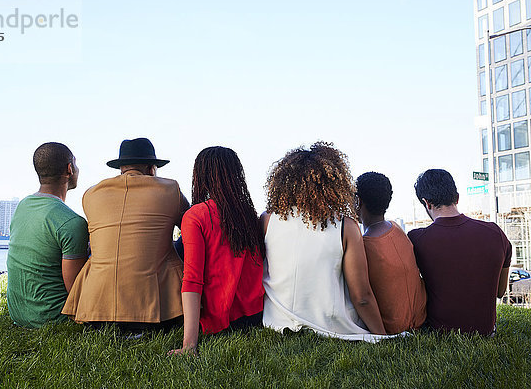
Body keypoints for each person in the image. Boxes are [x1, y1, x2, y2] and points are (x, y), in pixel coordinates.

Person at [261, 142, 387, 341]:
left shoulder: (267, 220)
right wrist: (382, 335)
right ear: (334, 183)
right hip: (330, 325)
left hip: (276, 322)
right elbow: (361, 297)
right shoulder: (346, 226)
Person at [62, 138, 189, 334]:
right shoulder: (171, 189)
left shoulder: (91, 194)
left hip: (94, 310)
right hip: (157, 314)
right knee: (178, 244)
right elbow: (191, 230)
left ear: (121, 168)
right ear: (152, 169)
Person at [170, 147, 265, 355]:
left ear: (200, 176)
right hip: (255, 315)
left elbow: (192, 280)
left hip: (221, 321)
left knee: (175, 250)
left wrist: (189, 345)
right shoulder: (248, 213)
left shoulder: (195, 215)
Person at [408, 169, 511, 335]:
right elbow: (500, 292)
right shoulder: (495, 233)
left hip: (438, 332)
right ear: (456, 198)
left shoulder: (416, 239)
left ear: (427, 203)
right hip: (485, 332)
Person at [7, 142, 89, 328]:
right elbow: (77, 292)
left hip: (19, 316)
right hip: (53, 319)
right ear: (69, 169)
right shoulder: (72, 222)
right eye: (75, 164)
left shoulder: (22, 206)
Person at [355, 172, 426, 334]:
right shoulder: (397, 228)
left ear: (358, 201)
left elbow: (361, 298)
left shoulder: (362, 246)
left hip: (392, 328)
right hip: (421, 319)